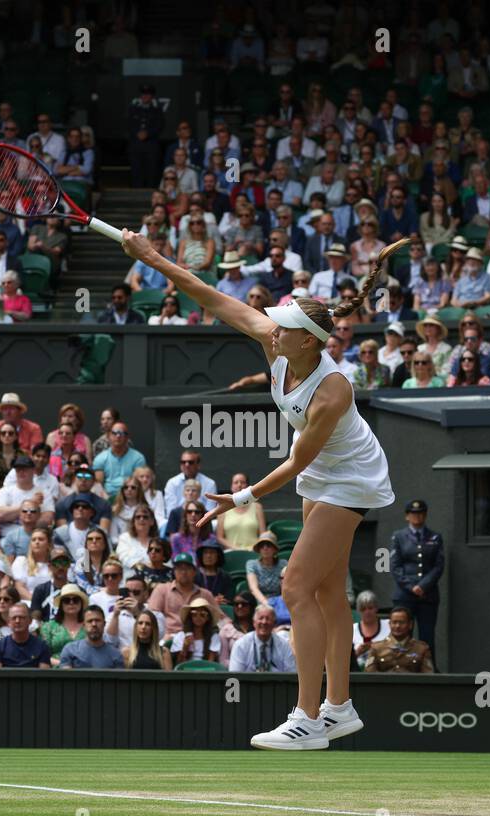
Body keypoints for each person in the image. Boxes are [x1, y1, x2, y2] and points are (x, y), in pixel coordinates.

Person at [121, 225, 398, 750]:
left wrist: (242, 497)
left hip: (353, 478)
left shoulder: (332, 391)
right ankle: (340, 708)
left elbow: (295, 462)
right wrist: (151, 256)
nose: (273, 329)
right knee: (325, 593)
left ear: (309, 341)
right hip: (323, 474)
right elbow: (208, 294)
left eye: (284, 326)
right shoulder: (276, 345)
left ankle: (308, 717)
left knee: (293, 587)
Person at [390, 499, 443, 657]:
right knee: (403, 635)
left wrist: (423, 586)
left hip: (427, 594)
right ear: (407, 516)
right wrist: (412, 587)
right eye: (413, 513)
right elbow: (395, 566)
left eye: (420, 513)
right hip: (405, 595)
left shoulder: (435, 537)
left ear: (425, 515)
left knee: (427, 636)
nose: (417, 516)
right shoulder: (398, 537)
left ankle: (428, 669)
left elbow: (438, 566)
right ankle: (401, 669)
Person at [229, 604, 297, 672]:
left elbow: (291, 673)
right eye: (261, 618)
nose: (264, 622)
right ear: (254, 622)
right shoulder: (241, 645)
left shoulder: (284, 645)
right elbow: (235, 676)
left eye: (268, 619)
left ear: (274, 623)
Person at [363, 607, 433, 672]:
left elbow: (428, 676)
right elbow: (369, 674)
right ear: (389, 624)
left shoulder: (421, 649)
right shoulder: (377, 648)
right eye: (394, 622)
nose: (397, 626)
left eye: (402, 622)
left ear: (410, 625)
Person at [57, 605, 124, 668]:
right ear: (83, 625)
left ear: (104, 624)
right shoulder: (70, 650)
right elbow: (66, 678)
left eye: (97, 620)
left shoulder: (115, 655)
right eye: (90, 621)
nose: (94, 624)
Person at [0, 602, 51, 668]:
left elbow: (43, 675)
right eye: (14, 618)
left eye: (22, 617)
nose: (17, 621)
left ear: (30, 621)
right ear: (9, 622)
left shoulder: (42, 646)